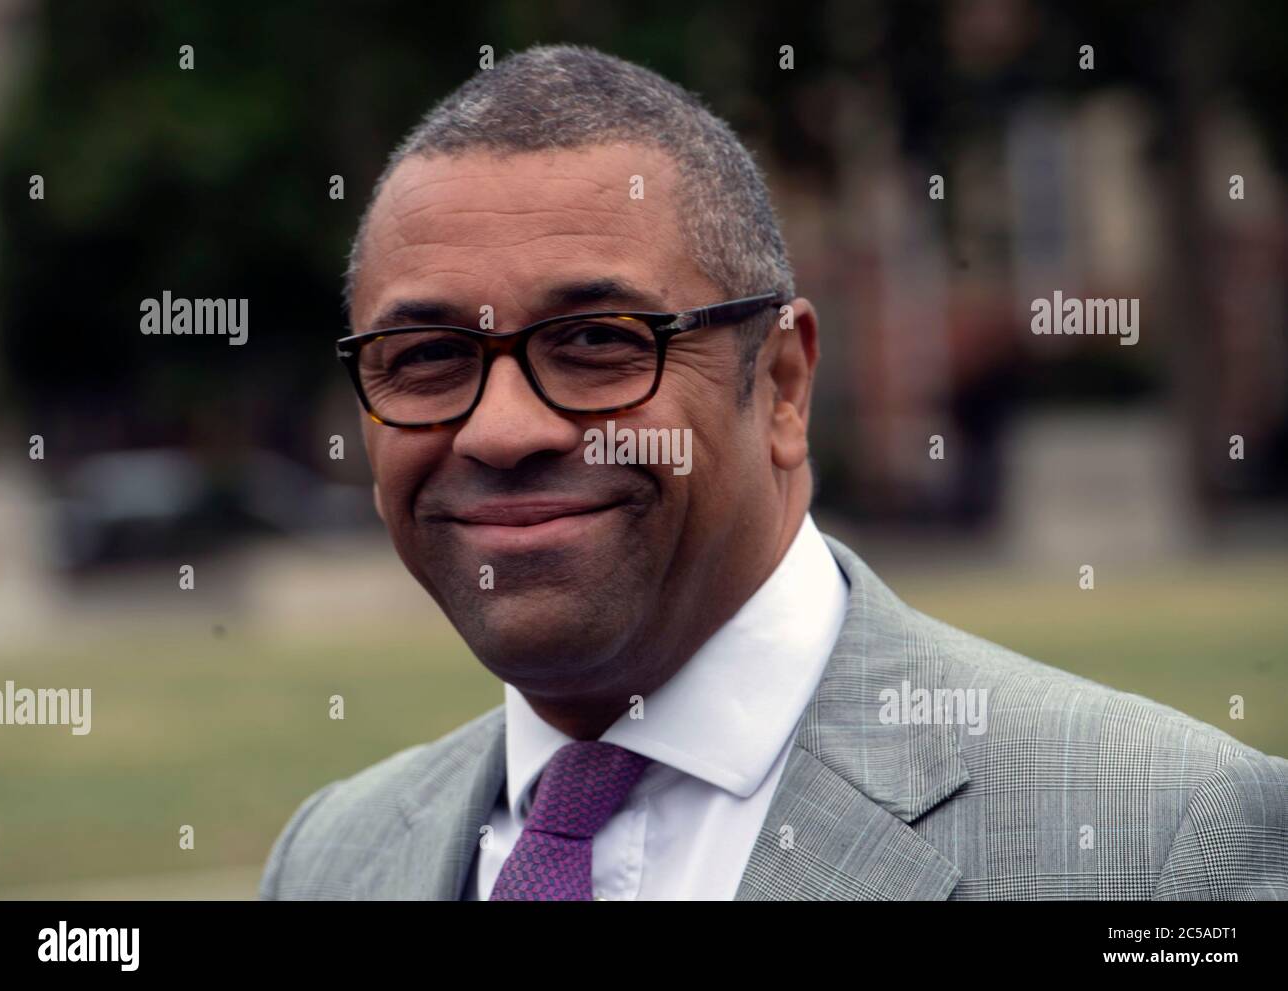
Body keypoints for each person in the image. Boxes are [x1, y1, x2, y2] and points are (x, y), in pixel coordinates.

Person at [260, 44, 1287, 900]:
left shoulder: (1165, 843)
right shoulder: (332, 859)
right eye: (428, 358)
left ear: (783, 385)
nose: (502, 429)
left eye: (597, 341)